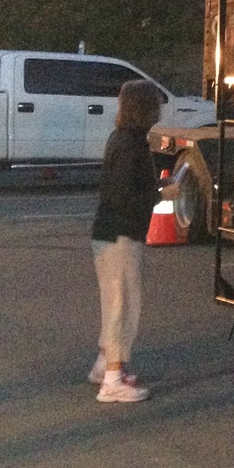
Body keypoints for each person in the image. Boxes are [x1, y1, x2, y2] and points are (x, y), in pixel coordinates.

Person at [89, 80, 176, 403]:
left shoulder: (121, 139)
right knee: (122, 305)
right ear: (145, 108)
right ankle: (112, 380)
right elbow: (125, 195)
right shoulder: (133, 145)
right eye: (155, 103)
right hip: (122, 235)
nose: (159, 108)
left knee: (114, 302)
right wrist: (160, 193)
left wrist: (155, 188)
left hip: (109, 232)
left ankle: (105, 365)